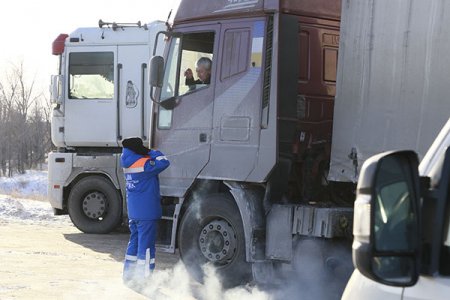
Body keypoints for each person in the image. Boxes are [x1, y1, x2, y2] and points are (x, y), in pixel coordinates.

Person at [120, 137, 170, 290]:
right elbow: (164, 161)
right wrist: (151, 151)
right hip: (147, 213)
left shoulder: (127, 161)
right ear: (138, 149)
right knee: (146, 248)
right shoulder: (144, 163)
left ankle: (129, 276)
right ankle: (144, 281)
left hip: (134, 213)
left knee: (134, 245)